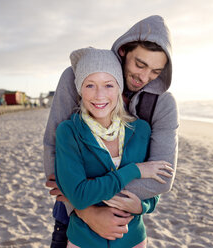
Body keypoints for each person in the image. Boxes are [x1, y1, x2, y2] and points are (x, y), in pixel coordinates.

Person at [43, 15, 179, 247]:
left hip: (128, 229)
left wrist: (85, 190)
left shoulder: (161, 105)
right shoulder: (80, 74)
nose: (144, 78)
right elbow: (53, 151)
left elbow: (162, 179)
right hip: (73, 221)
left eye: (156, 71)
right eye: (140, 64)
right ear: (124, 50)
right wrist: (86, 211)